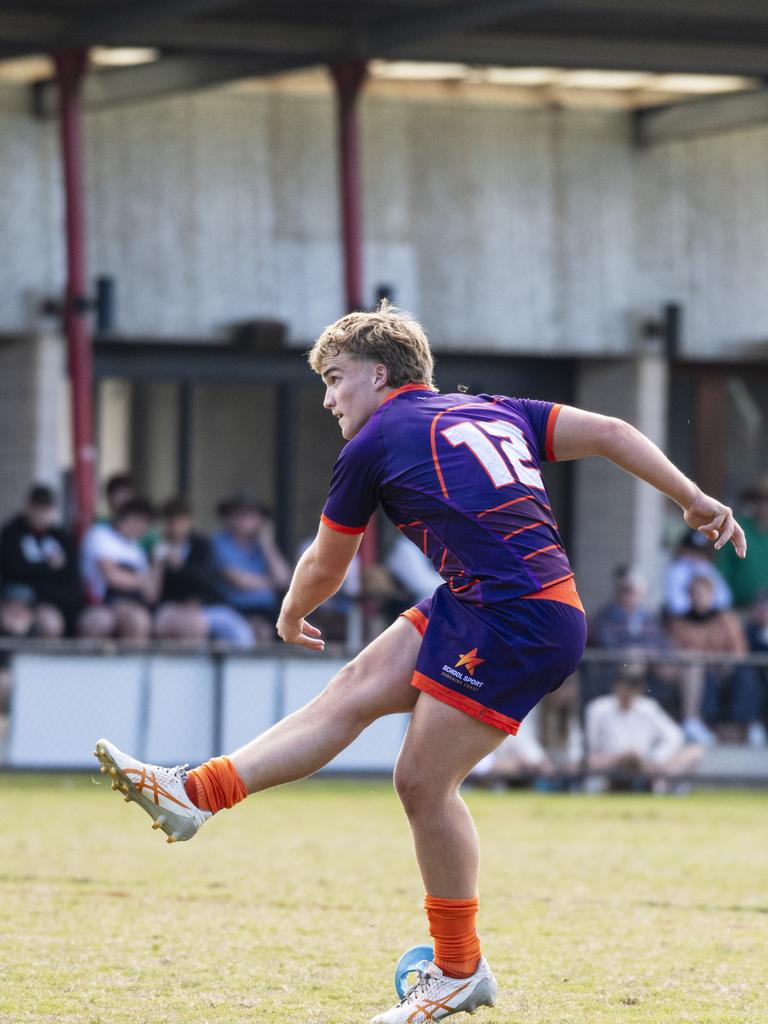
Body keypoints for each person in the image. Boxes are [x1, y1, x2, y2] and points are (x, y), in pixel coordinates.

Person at [94, 301, 746, 1023]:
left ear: (378, 375)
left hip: (516, 617)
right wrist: (691, 498)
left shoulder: (375, 442)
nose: (327, 397)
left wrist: (288, 612)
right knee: (352, 692)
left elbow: (324, 562)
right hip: (491, 598)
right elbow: (615, 432)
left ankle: (459, 970)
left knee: (421, 784)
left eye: (335, 378)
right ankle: (196, 794)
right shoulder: (493, 408)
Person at [668, 575, 763, 746]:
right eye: (694, 593)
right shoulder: (679, 622)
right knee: (705, 679)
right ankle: (704, 728)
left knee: (746, 674)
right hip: (700, 671)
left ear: (711, 595)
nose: (699, 597)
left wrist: (725, 663)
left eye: (703, 593)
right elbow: (677, 651)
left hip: (726, 668)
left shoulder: (726, 619)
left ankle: (750, 727)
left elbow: (739, 649)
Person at [153, 497, 254, 648]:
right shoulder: (159, 549)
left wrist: (181, 566)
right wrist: (160, 563)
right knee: (193, 626)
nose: (175, 527)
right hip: (176, 608)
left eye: (180, 520)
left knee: (243, 635)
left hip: (207, 606)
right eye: (171, 521)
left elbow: (206, 578)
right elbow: (155, 593)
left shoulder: (201, 545)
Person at [585, 672, 702, 791]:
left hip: (645, 765)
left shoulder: (648, 708)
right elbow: (590, 745)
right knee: (589, 761)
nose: (625, 692)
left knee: (694, 753)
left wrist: (655, 758)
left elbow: (674, 736)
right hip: (610, 764)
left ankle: (658, 788)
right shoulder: (598, 708)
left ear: (638, 689)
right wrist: (615, 758)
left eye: (630, 688)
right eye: (623, 687)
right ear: (615, 687)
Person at [0, 484, 82, 636]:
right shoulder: (12, 532)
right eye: (37, 508)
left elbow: (70, 573)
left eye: (45, 509)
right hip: (20, 596)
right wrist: (47, 566)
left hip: (53, 599)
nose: (41, 514)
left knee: (52, 623)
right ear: (28, 507)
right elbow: (14, 569)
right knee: (17, 621)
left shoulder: (61, 537)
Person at [211, 495, 292, 643]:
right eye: (239, 514)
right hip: (236, 609)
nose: (244, 520)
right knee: (261, 630)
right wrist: (272, 583)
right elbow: (239, 581)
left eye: (251, 515)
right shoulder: (219, 542)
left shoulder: (263, 545)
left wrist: (267, 543)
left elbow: (285, 580)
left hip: (270, 610)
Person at [79, 498, 160, 644]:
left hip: (133, 604)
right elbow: (112, 577)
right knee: (106, 621)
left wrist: (159, 561)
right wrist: (140, 580)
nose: (143, 530)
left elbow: (151, 594)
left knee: (140, 618)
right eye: (142, 523)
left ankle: (134, 666)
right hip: (99, 603)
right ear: (130, 518)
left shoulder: (136, 550)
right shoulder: (100, 535)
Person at [717, 474, 768, 609]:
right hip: (740, 609)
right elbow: (722, 569)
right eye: (762, 499)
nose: (765, 505)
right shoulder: (737, 529)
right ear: (755, 501)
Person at [663, 528, 732, 616]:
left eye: (700, 551)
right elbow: (677, 605)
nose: (695, 555)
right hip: (683, 617)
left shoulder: (706, 567)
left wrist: (705, 604)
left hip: (708, 615)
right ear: (683, 549)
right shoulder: (676, 570)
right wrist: (698, 602)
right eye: (692, 550)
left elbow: (724, 599)